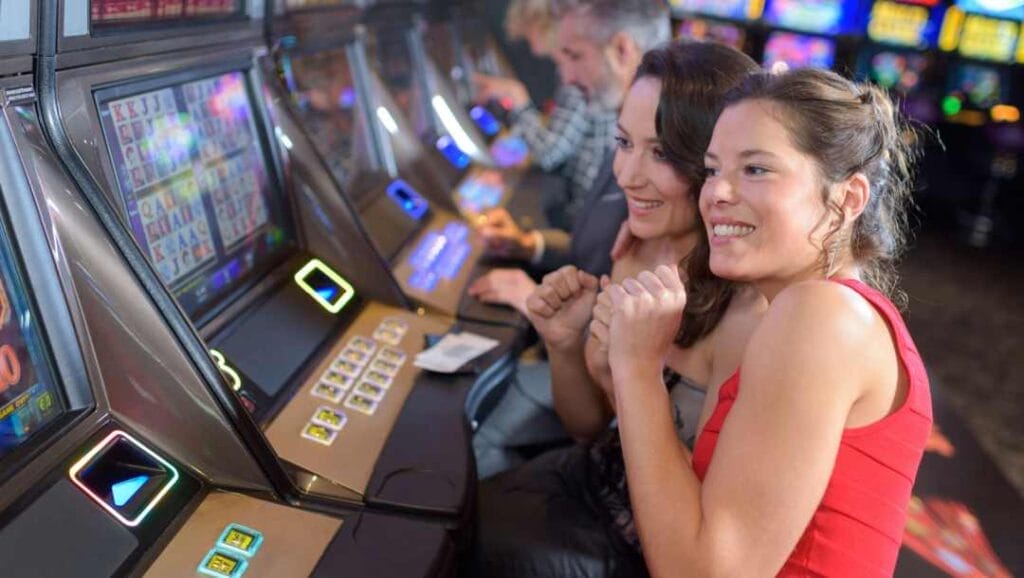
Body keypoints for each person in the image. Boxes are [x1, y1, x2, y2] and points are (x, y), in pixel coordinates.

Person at [596, 68, 931, 577]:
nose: (717, 194)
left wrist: (639, 369)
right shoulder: (814, 312)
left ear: (847, 199)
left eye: (755, 170)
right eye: (712, 170)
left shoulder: (821, 317)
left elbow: (702, 572)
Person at [465, 42, 764, 577]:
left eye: (663, 153)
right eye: (624, 142)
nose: (626, 175)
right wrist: (563, 345)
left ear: (717, 164)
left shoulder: (750, 312)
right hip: (590, 481)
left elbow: (711, 540)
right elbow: (590, 429)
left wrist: (635, 372)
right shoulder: (636, 249)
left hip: (649, 547)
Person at [467, 0, 670, 314]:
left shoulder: (669, 161)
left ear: (621, 49)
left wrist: (531, 298)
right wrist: (529, 244)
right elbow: (593, 256)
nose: (568, 78)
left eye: (574, 56)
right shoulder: (624, 140)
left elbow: (633, 325)